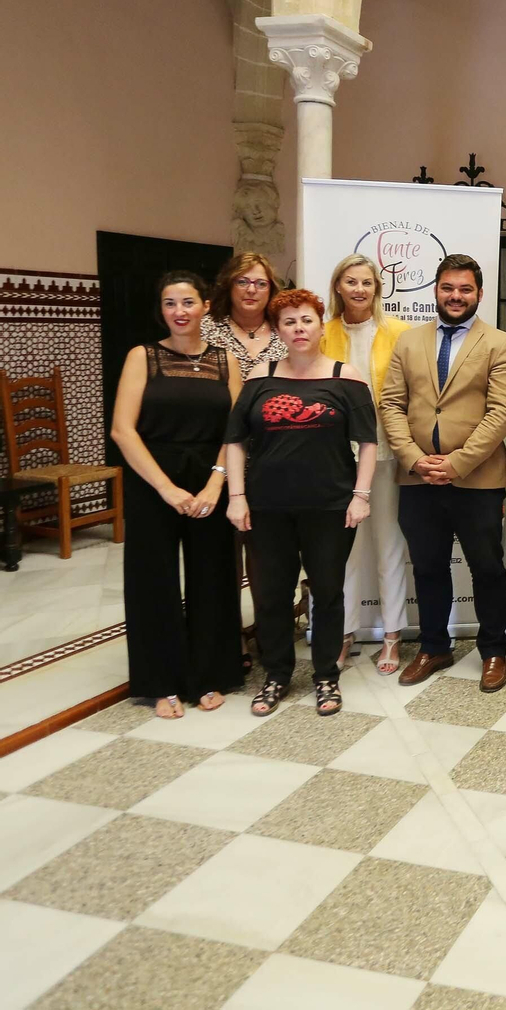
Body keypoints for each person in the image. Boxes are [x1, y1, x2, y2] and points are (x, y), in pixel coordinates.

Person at [225, 289, 377, 717]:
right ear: (278, 330)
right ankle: (276, 675)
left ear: (320, 324)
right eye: (289, 322)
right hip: (266, 507)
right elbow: (234, 441)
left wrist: (360, 496)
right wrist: (237, 497)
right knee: (271, 595)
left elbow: (367, 443)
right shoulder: (259, 377)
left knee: (327, 593)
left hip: (331, 506)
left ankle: (326, 674)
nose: (298, 329)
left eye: (306, 320)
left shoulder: (348, 378)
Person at [379, 254, 506, 693]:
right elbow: (390, 404)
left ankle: (494, 651)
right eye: (448, 288)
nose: (455, 296)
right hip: (417, 478)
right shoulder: (408, 341)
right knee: (428, 567)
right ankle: (434, 646)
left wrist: (457, 462)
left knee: (487, 569)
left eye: (465, 289)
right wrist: (414, 459)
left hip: (477, 480)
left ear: (479, 294)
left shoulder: (501, 343)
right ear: (435, 291)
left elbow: (502, 412)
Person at [110, 271, 243, 719]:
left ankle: (209, 674)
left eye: (188, 302)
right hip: (153, 479)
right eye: (170, 303)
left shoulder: (226, 360)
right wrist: (166, 488)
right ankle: (160, 680)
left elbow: (235, 429)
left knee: (214, 576)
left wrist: (215, 482)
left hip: (211, 477)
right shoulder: (142, 357)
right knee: (154, 579)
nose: (179, 312)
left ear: (206, 305)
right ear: (161, 310)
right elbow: (122, 430)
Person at [319, 253, 412, 674]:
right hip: (338, 458)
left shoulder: (399, 333)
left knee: (389, 544)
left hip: (388, 453)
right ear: (338, 286)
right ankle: (344, 634)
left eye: (367, 283)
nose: (359, 289)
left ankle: (392, 636)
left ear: (377, 289)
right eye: (351, 281)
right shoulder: (322, 334)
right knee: (346, 551)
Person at [202, 252, 289, 675]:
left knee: (266, 556)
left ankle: (269, 631)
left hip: (275, 455)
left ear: (271, 289)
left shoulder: (285, 330)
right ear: (228, 287)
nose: (252, 290)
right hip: (219, 451)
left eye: (260, 283)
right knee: (223, 552)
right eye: (243, 282)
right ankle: (229, 635)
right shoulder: (207, 330)